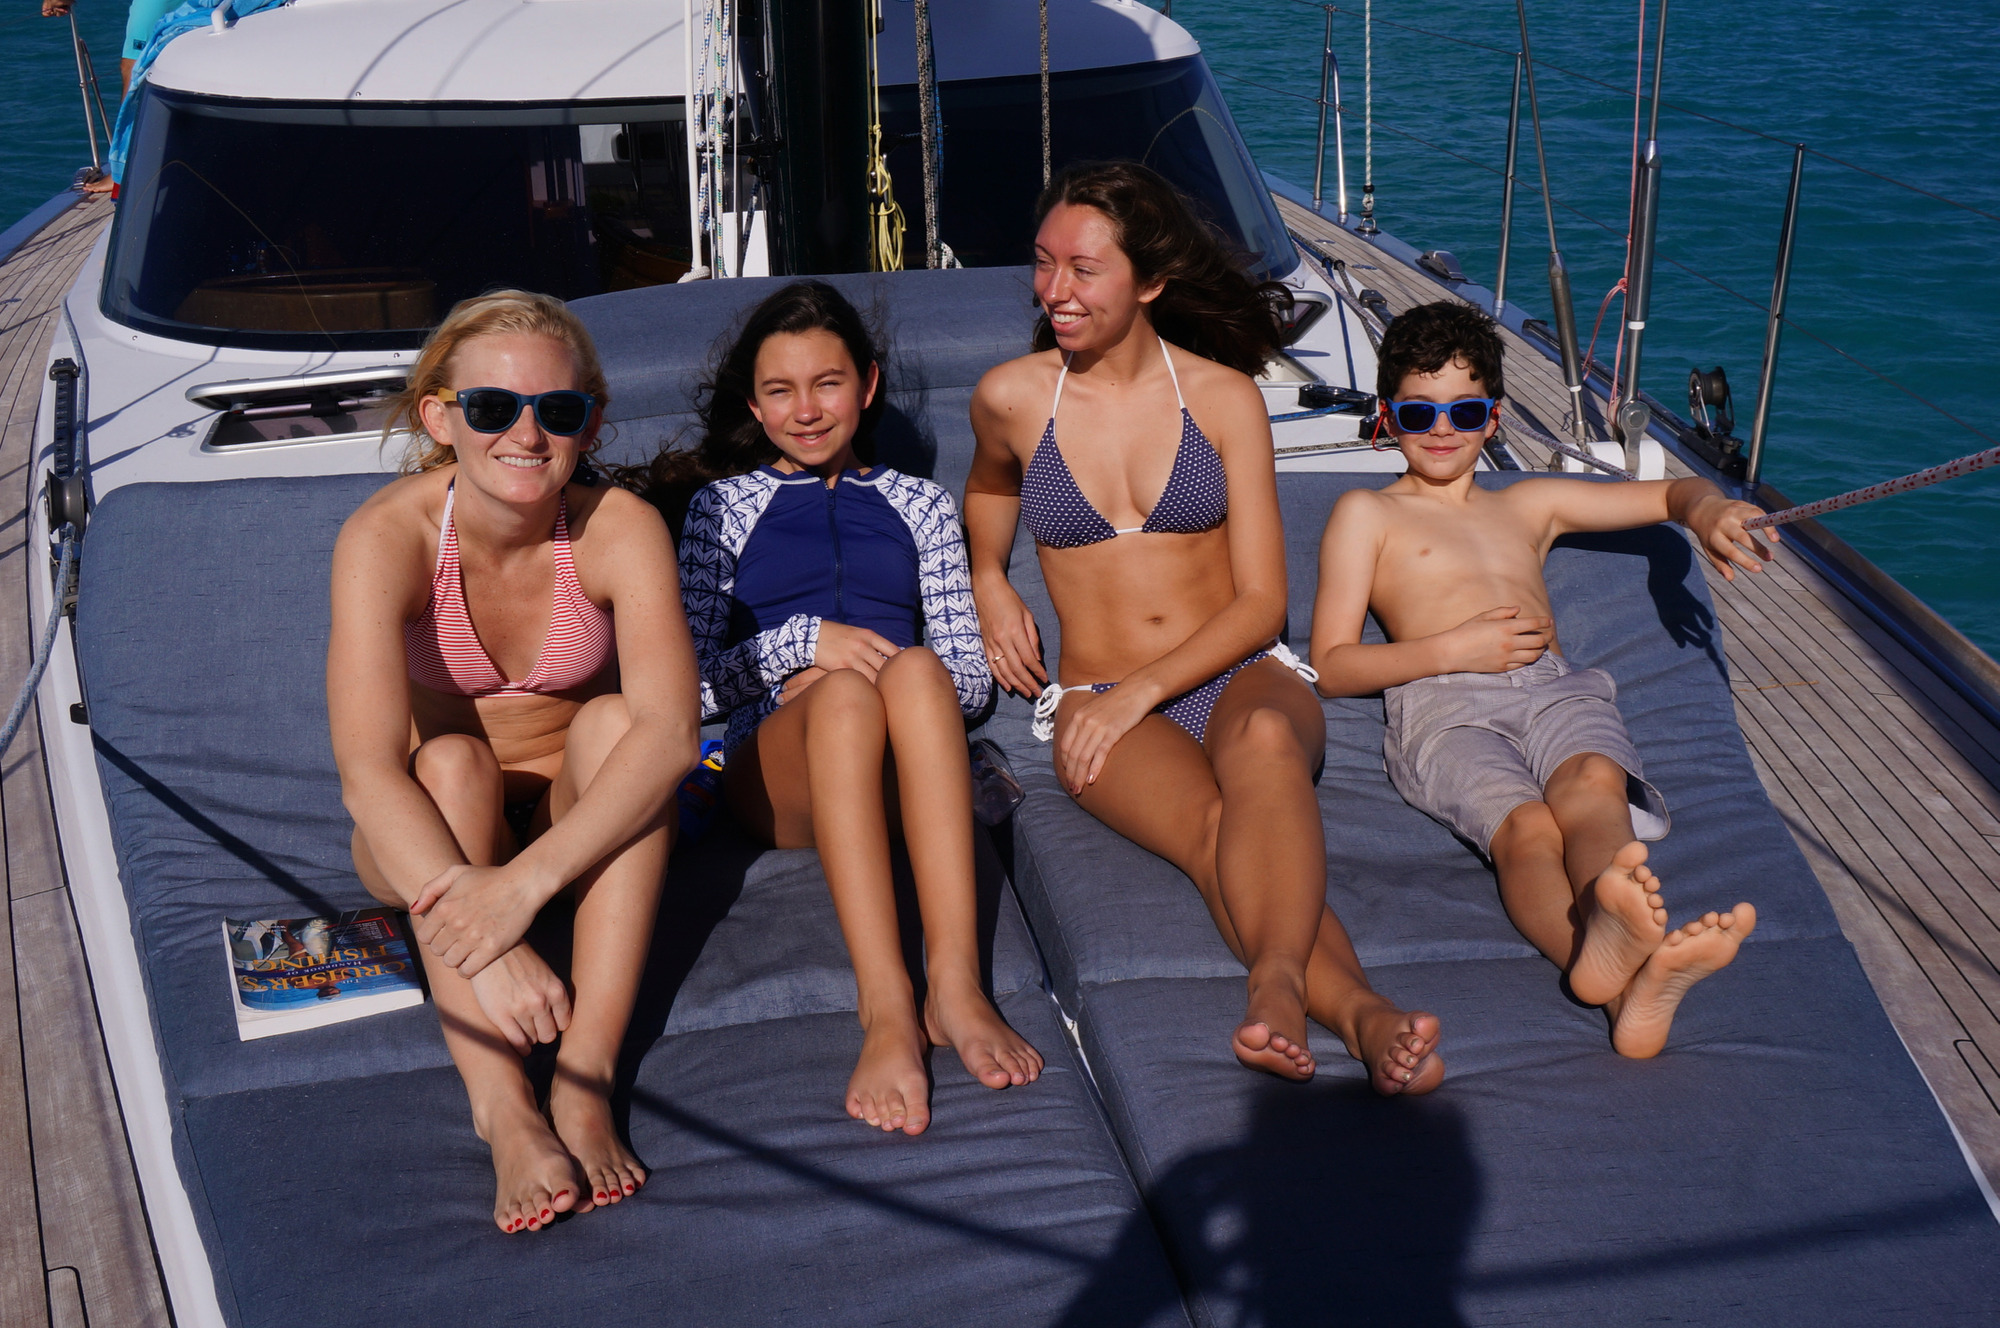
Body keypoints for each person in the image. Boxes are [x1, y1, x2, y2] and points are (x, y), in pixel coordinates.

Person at [966, 161, 1442, 1094]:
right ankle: (1362, 1015)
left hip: (1238, 667)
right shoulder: (1012, 398)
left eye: (1084, 269)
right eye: (1044, 262)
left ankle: (1275, 986)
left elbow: (1262, 601)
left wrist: (1143, 692)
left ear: (1150, 281)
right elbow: (988, 486)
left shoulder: (1222, 399)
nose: (1055, 289)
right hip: (1098, 694)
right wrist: (988, 576)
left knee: (1265, 742)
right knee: (1212, 827)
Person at [623, 279, 1042, 1136]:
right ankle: (886, 1006)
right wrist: (805, 645)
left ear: (868, 385)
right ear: (754, 404)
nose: (806, 410)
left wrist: (888, 667)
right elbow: (687, 692)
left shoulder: (922, 506)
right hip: (776, 775)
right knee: (843, 694)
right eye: (780, 391)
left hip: (899, 767)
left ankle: (955, 986)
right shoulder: (719, 510)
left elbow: (966, 685)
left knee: (916, 673)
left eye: (827, 383)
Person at [328, 290, 698, 1233]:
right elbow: (369, 772)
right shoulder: (387, 538)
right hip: (435, 830)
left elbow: (671, 734)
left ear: (590, 424)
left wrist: (519, 893)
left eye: (557, 410)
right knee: (452, 761)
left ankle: (584, 1080)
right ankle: (504, 1110)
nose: (526, 434)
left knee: (616, 725)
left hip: (567, 832)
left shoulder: (619, 527)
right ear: (440, 418)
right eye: (493, 407)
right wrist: (481, 931)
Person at [1309, 301, 1764, 1057]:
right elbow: (1332, 665)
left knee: (1593, 782)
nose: (1443, 428)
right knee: (1528, 829)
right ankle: (1615, 980)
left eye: (1465, 411)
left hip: (1553, 688)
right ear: (1388, 416)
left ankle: (1619, 954)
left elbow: (1668, 496)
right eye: (1419, 412)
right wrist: (1454, 648)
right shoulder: (1368, 513)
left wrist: (1710, 508)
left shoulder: (1529, 502)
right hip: (1445, 706)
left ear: (1492, 418)